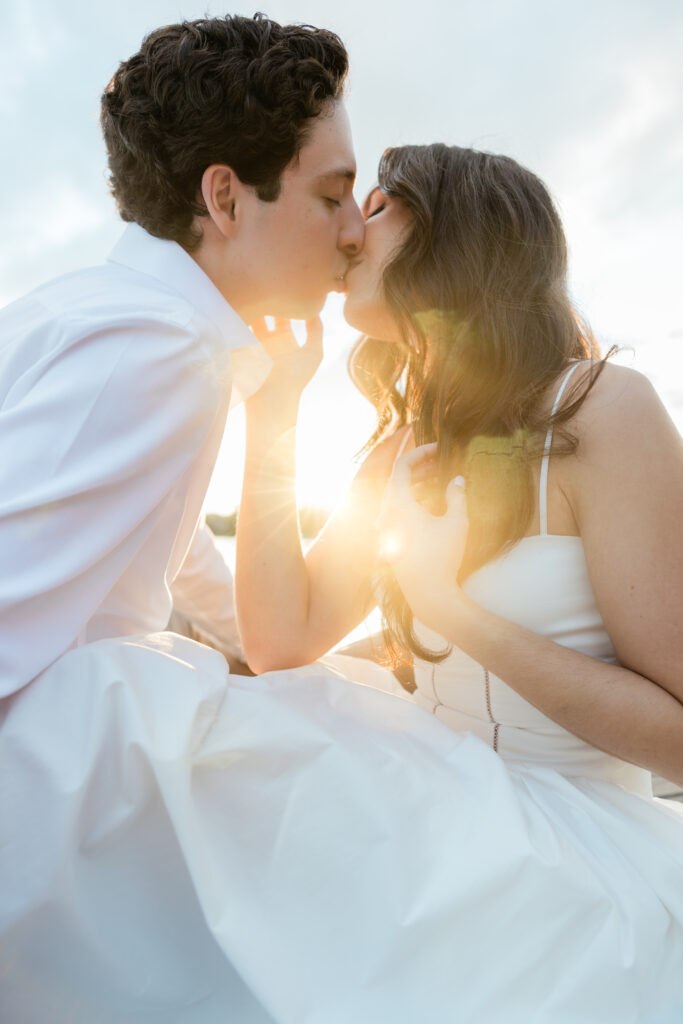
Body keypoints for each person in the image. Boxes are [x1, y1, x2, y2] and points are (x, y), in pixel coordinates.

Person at [234, 144, 683, 1019]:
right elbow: (279, 641)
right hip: (416, 810)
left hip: (573, 860)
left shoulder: (601, 408)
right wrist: (273, 408)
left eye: (379, 203)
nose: (351, 228)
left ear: (457, 230)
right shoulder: (394, 450)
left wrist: (449, 609)